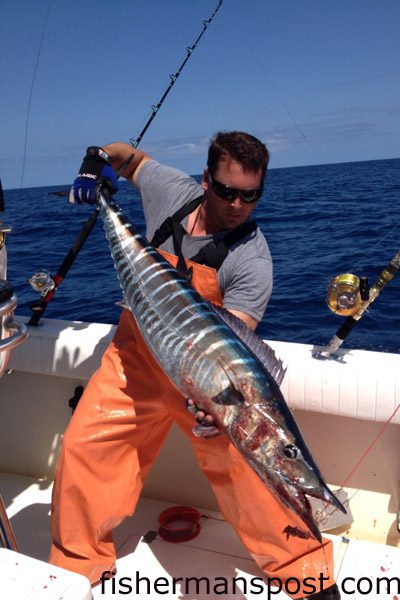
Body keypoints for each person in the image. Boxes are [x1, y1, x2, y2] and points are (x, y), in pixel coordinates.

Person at [48, 132, 340, 599]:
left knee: (255, 473)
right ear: (206, 180)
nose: (237, 205)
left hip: (202, 382)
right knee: (85, 449)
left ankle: (306, 573)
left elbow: (232, 342)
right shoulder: (171, 190)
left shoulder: (252, 259)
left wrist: (212, 405)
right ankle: (77, 568)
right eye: (226, 191)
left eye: (250, 195)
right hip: (135, 363)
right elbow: (128, 156)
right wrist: (97, 161)